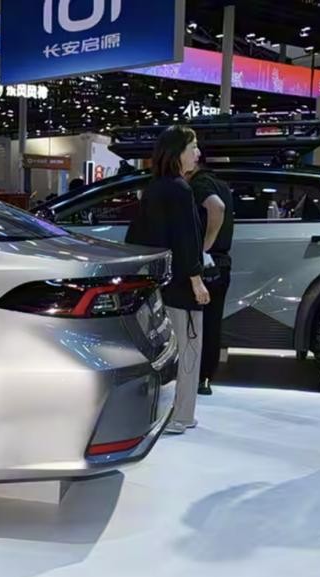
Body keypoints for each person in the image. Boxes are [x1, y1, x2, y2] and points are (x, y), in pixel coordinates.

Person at [125, 126, 211, 435]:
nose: (198, 153)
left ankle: (158, 414)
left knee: (162, 352)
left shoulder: (153, 189)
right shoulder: (180, 190)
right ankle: (181, 416)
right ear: (177, 153)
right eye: (193, 147)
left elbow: (135, 238)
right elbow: (187, 241)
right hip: (181, 287)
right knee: (188, 350)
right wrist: (197, 280)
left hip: (157, 285)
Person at [189, 162, 233, 396]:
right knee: (212, 323)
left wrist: (204, 248)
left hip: (206, 263)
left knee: (195, 323)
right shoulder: (222, 184)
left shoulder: (199, 183)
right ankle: (205, 377)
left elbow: (217, 207)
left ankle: (193, 375)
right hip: (221, 264)